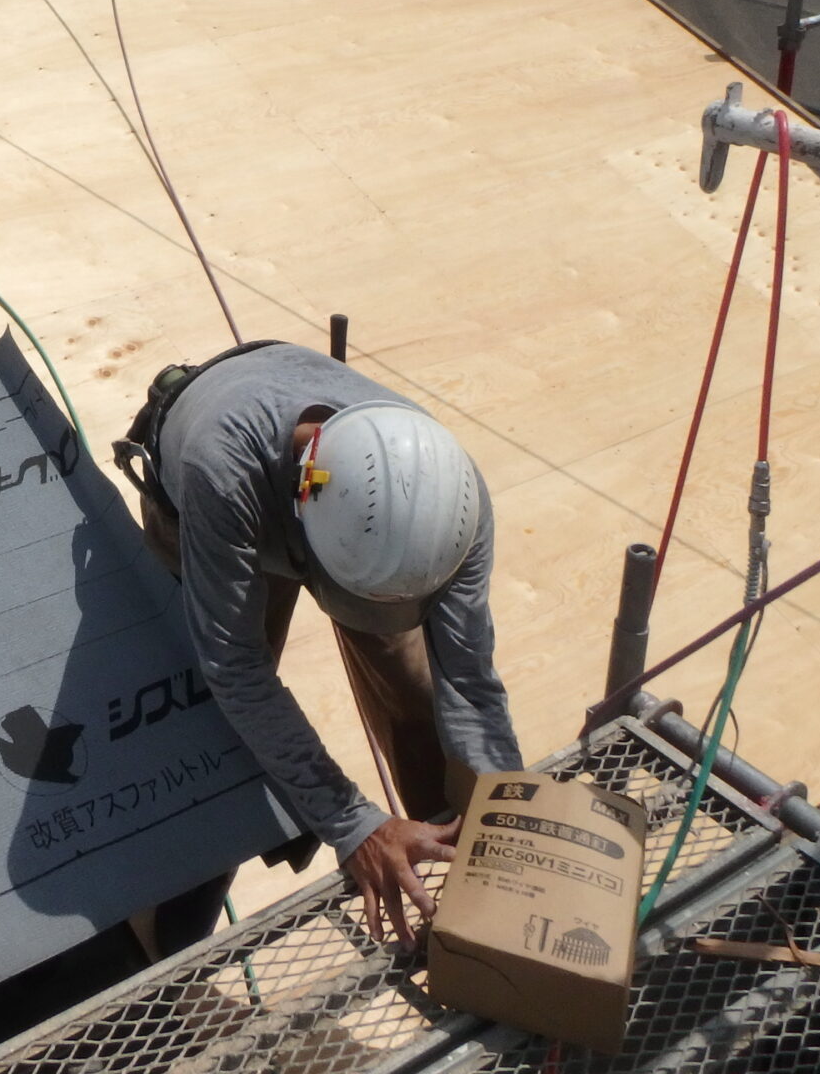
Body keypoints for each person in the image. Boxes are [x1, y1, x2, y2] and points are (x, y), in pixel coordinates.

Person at [121, 340, 523, 949]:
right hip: (210, 511)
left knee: (416, 696)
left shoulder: (452, 499)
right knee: (209, 729)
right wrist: (354, 824)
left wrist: (506, 818)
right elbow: (236, 670)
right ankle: (168, 934)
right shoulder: (221, 473)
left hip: (331, 512)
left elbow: (468, 679)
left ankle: (451, 870)